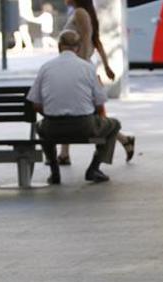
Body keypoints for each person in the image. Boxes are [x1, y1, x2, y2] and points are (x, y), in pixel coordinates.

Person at [27, 30, 121, 184]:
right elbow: (100, 102)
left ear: (59, 46)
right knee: (115, 124)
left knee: (40, 128)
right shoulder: (87, 68)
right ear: (78, 47)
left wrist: (53, 114)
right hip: (84, 126)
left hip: (52, 127)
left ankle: (54, 171)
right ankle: (94, 167)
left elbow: (35, 104)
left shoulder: (46, 67)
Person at [56, 0, 134, 166]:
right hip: (81, 68)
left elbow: (86, 39)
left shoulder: (80, 13)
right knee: (74, 109)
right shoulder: (81, 12)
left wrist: (81, 68)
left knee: (92, 114)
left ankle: (124, 140)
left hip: (80, 70)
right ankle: (64, 153)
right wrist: (105, 66)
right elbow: (95, 41)